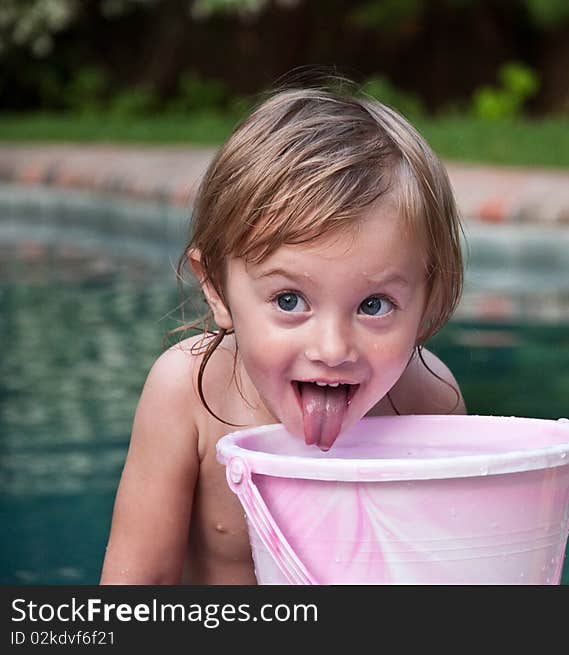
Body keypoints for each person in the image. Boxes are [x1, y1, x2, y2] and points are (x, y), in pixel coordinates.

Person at [99, 85, 467, 584]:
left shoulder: (430, 400)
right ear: (217, 290)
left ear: (429, 300)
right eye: (290, 301)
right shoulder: (188, 395)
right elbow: (133, 593)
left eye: (374, 305)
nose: (333, 350)